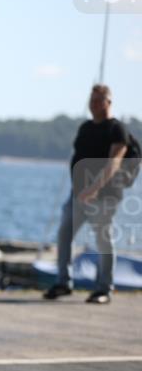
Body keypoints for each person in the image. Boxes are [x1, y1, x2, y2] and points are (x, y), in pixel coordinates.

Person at [44, 84, 129, 304]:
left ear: (108, 102)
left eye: (98, 100)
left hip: (103, 196)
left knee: (103, 240)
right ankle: (63, 282)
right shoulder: (85, 128)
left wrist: (94, 188)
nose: (94, 105)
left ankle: (104, 288)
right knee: (64, 234)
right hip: (77, 194)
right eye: (91, 100)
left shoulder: (117, 129)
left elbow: (113, 163)